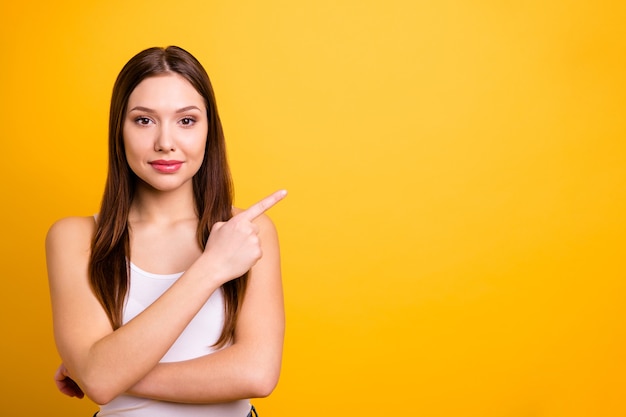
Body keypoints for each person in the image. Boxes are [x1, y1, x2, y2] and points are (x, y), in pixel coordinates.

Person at [46, 45, 286, 417]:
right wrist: (211, 269)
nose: (165, 142)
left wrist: (110, 371)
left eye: (186, 121)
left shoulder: (247, 232)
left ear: (210, 130)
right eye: (144, 120)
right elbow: (97, 378)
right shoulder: (75, 238)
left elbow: (258, 374)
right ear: (119, 130)